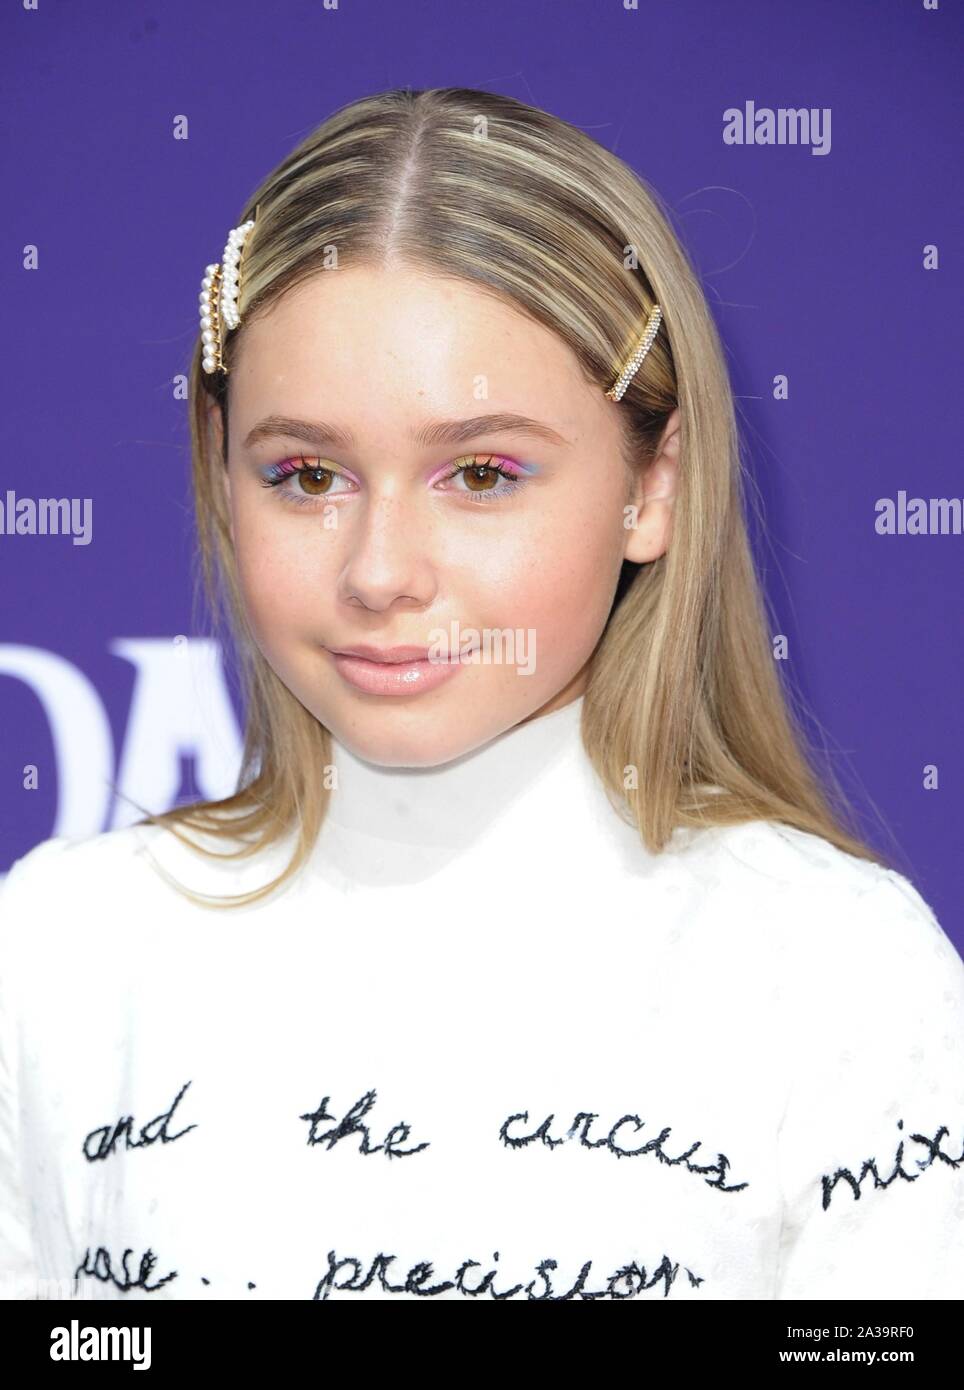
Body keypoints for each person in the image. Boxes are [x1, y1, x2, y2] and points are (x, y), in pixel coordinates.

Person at [1, 86, 962, 1303]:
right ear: (217, 462)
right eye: (304, 473)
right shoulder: (56, 952)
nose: (380, 571)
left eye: (481, 472)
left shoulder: (840, 971)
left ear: (650, 485)